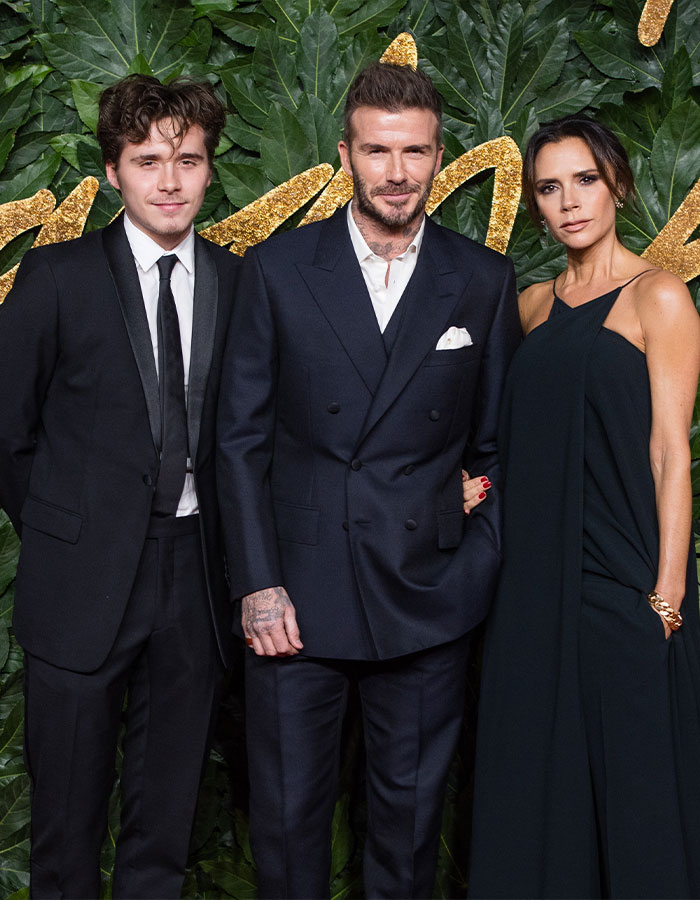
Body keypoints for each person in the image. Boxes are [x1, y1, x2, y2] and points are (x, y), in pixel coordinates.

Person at [217, 60, 520, 899]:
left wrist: (471, 558)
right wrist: (258, 586)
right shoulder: (277, 269)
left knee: (408, 832)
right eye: (379, 151)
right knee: (286, 827)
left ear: (438, 156)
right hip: (297, 602)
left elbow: (495, 447)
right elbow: (238, 441)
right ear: (346, 153)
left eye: (415, 152)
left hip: (427, 596)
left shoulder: (483, 280)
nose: (397, 172)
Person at [0, 75, 240, 898]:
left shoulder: (238, 283)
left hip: (195, 575)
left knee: (161, 829)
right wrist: (66, 527)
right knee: (64, 836)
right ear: (113, 172)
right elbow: (7, 432)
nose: (169, 182)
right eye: (147, 162)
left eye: (187, 161)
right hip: (79, 579)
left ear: (210, 169)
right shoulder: (55, 278)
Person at [467, 114, 700, 899]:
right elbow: (504, 441)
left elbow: (671, 453)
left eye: (585, 180)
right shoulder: (529, 305)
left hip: (619, 586)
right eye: (549, 186)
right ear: (534, 203)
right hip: (529, 590)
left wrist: (665, 601)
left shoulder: (659, 297)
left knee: (633, 803)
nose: (569, 201)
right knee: (537, 793)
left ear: (617, 184)